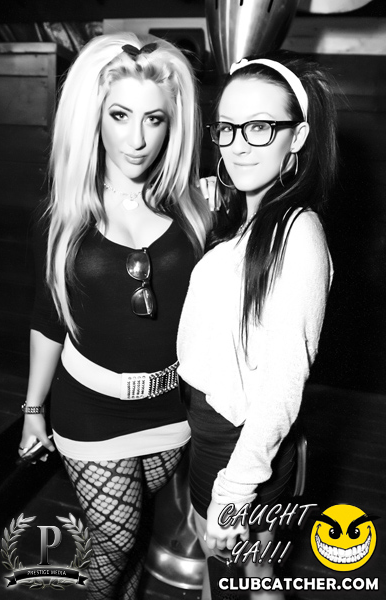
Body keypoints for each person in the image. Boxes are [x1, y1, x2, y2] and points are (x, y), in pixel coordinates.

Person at [18, 32, 212, 600]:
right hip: (89, 409)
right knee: (117, 537)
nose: (137, 139)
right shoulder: (63, 215)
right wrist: (32, 409)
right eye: (120, 115)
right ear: (94, 118)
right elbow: (49, 315)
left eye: (155, 119)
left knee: (129, 539)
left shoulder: (194, 207)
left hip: (170, 410)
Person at [177, 50, 338, 599]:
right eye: (227, 127)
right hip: (223, 432)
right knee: (254, 575)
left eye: (261, 127)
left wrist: (234, 490)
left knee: (231, 578)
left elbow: (284, 381)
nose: (239, 144)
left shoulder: (297, 234)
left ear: (298, 137)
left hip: (239, 444)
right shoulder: (248, 217)